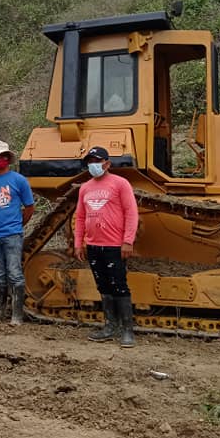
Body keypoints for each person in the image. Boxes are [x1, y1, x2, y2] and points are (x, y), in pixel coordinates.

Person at [72, 146, 140, 347]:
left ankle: (127, 330)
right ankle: (110, 326)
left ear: (107, 163)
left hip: (114, 245)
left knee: (119, 285)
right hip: (93, 245)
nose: (93, 165)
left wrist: (128, 241)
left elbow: (131, 212)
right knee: (102, 286)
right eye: (90, 162)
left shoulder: (120, 184)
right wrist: (78, 243)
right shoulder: (85, 188)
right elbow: (80, 217)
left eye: (97, 161)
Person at [0, 140, 35, 326]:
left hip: (12, 235)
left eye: (2, 156)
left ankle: (17, 314)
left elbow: (29, 207)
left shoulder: (19, 180)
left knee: (15, 274)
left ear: (7, 158)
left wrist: (18, 224)